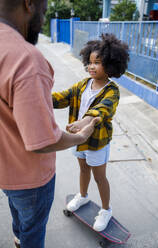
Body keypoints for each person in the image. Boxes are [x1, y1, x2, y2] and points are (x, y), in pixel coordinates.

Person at [0, 1, 100, 248]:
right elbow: (43, 141)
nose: (43, 20)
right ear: (29, 4)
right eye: (44, 12)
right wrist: (81, 136)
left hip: (5, 172)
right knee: (33, 229)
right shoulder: (25, 59)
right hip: (31, 178)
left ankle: (17, 238)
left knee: (18, 214)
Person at [52, 33, 129, 232]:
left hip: (97, 142)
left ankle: (105, 209)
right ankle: (83, 196)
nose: (92, 66)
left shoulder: (112, 91)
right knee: (83, 170)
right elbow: (62, 97)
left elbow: (102, 110)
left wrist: (84, 121)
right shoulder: (83, 84)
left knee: (99, 177)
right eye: (90, 62)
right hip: (79, 140)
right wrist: (41, 95)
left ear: (111, 65)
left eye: (98, 63)